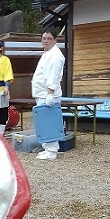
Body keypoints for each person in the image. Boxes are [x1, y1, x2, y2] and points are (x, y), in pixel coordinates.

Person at [31, 28, 66, 160]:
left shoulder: (56, 55)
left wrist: (50, 92)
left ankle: (52, 151)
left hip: (48, 94)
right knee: (43, 121)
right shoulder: (47, 53)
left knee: (49, 121)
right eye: (43, 38)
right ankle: (47, 147)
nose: (45, 41)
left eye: (48, 38)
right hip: (42, 93)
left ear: (55, 40)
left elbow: (54, 75)